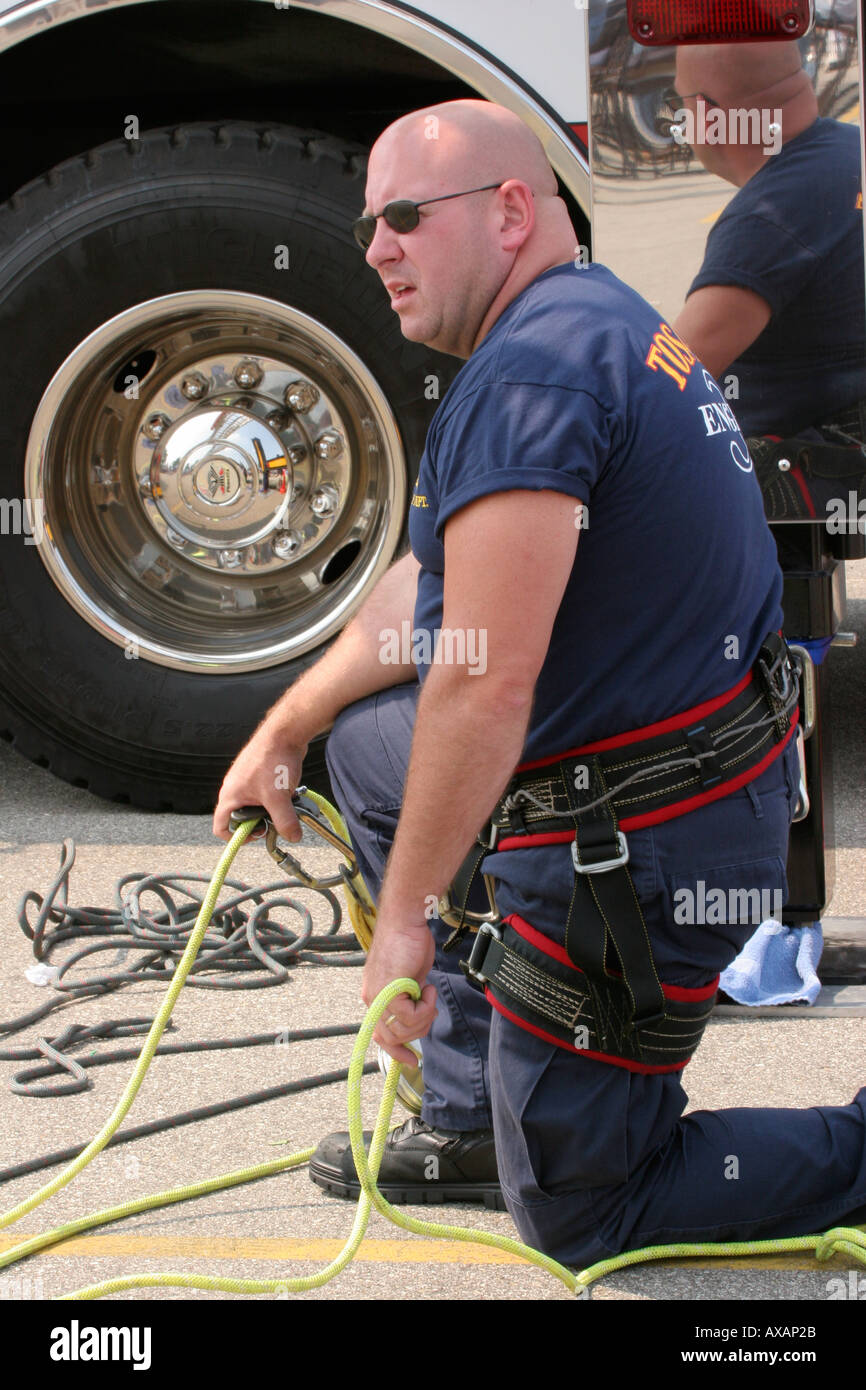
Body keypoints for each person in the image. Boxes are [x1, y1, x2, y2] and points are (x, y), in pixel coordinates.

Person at [213, 99, 866, 1269]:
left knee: (581, 1212)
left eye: (405, 217)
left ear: (512, 211)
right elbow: (436, 588)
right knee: (366, 747)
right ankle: (474, 1109)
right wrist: (287, 723)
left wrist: (402, 926)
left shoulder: (535, 376)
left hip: (646, 843)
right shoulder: (591, 324)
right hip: (689, 787)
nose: (375, 249)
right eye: (370, 224)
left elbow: (484, 682)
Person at [671, 41, 866, 444]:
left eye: (681, 104)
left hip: (803, 487)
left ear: (706, 115)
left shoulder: (765, 220)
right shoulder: (853, 149)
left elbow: (665, 380)